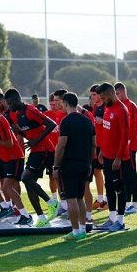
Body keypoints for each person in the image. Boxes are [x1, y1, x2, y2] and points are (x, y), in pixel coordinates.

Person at [6, 88, 60, 228]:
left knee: (25, 178)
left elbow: (51, 124)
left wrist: (35, 140)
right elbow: (29, 132)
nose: (9, 107)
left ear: (17, 100)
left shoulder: (31, 110)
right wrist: (21, 133)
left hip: (45, 150)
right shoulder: (15, 114)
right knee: (29, 183)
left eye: (11, 103)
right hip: (35, 149)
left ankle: (51, 202)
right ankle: (41, 217)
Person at [53, 92, 95, 240]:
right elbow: (93, 145)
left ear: (65, 104)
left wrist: (56, 166)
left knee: (71, 198)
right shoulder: (88, 121)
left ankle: (75, 231)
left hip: (70, 164)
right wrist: (89, 163)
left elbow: (61, 145)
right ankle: (82, 229)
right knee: (79, 198)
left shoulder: (66, 121)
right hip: (85, 164)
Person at [94, 82, 131, 231]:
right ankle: (111, 218)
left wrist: (118, 157)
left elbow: (125, 136)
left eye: (103, 98)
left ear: (110, 95)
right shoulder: (107, 109)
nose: (102, 101)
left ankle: (120, 222)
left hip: (118, 158)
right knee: (109, 186)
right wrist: (102, 150)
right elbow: (106, 132)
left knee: (119, 188)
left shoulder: (122, 110)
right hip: (107, 156)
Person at [115, 82, 137, 214]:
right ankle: (128, 203)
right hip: (123, 146)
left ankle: (134, 205)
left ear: (124, 91)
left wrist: (129, 143)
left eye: (117, 93)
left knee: (131, 174)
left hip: (130, 146)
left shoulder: (131, 106)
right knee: (124, 175)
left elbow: (131, 127)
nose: (116, 96)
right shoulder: (119, 106)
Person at [90, 84, 107, 211]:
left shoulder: (107, 106)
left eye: (94, 95)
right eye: (91, 95)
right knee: (96, 171)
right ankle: (100, 199)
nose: (93, 97)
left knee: (108, 173)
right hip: (97, 144)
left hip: (106, 144)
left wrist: (104, 121)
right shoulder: (95, 107)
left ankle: (107, 200)